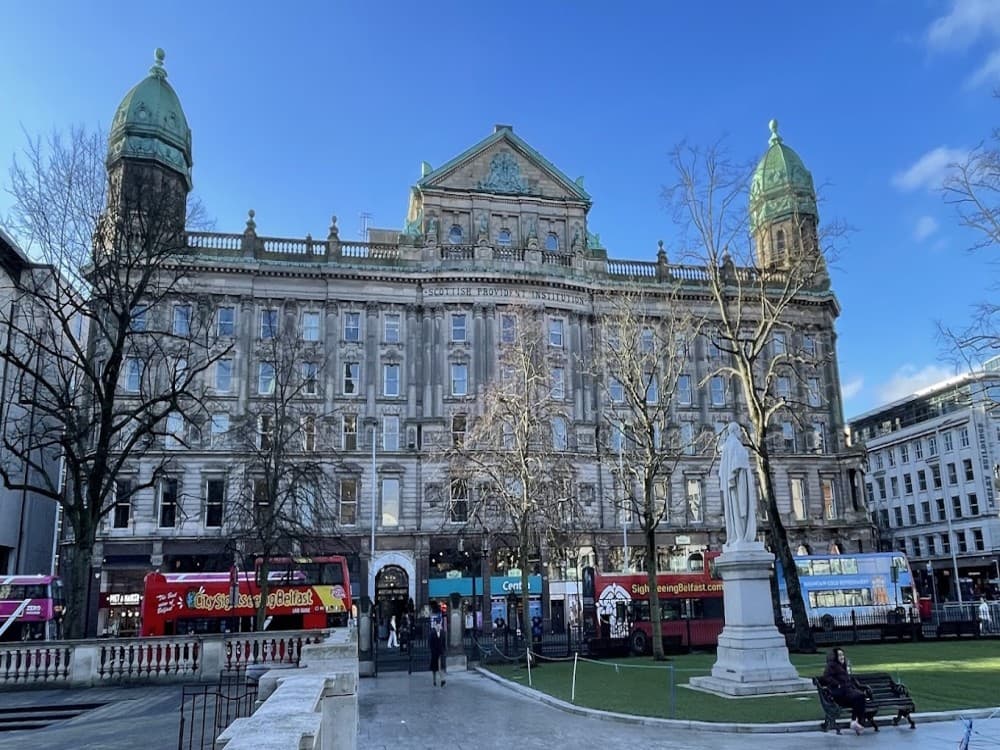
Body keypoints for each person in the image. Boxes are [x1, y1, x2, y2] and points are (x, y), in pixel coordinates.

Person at [718, 422, 757, 546]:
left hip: (731, 486)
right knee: (740, 509)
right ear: (735, 431)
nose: (741, 433)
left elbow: (722, 471)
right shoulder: (735, 445)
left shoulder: (726, 447)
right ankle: (740, 537)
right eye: (740, 430)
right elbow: (738, 465)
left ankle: (734, 536)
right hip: (738, 483)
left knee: (733, 512)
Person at [821, 648, 868, 735]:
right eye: (839, 655)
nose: (842, 657)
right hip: (839, 693)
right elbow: (826, 677)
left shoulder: (843, 665)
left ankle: (856, 721)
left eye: (843, 655)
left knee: (861, 696)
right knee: (859, 697)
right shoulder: (831, 665)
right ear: (835, 657)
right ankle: (855, 721)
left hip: (847, 691)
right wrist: (837, 684)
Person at [429, 621, 446, 687]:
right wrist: (432, 650)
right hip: (434, 653)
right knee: (434, 669)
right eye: (437, 626)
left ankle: (442, 680)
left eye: (439, 626)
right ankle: (434, 681)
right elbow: (430, 643)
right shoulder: (432, 633)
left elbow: (444, 642)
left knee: (439, 667)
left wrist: (443, 651)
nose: (438, 627)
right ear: (435, 626)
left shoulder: (442, 633)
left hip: (439, 653)